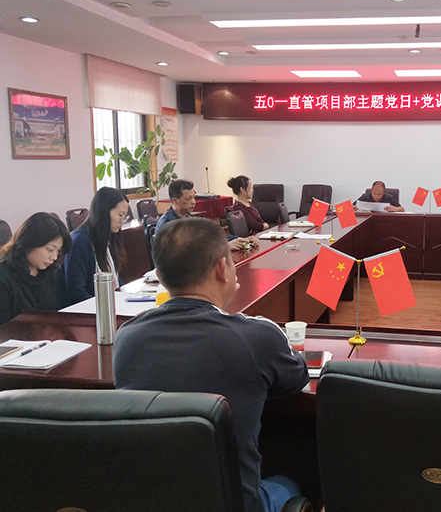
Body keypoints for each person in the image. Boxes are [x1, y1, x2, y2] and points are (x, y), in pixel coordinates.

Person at [113, 218, 308, 512]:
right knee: (294, 479)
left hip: (155, 502)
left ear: (160, 276)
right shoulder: (257, 337)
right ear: (221, 268)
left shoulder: (127, 338)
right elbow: (297, 379)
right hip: (235, 505)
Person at [0, 213, 72, 325]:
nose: (54, 257)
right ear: (29, 243)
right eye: (50, 249)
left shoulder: (48, 270)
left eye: (58, 251)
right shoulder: (4, 277)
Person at [63, 187, 129, 305]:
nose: (122, 221)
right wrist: (105, 308)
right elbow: (76, 292)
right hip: (86, 309)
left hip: (107, 304)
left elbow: (113, 279)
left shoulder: (109, 238)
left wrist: (128, 296)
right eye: (120, 215)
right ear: (103, 212)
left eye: (125, 216)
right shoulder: (79, 242)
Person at [156, 178, 256, 251]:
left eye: (194, 197)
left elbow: (212, 235)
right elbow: (188, 250)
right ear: (175, 201)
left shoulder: (190, 218)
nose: (193, 202)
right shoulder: (167, 224)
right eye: (188, 198)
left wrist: (241, 240)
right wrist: (224, 246)